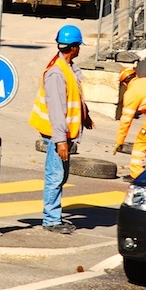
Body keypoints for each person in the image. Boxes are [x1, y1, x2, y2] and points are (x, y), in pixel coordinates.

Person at [29, 24, 94, 234]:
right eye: (79, 46)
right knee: (55, 176)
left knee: (60, 176)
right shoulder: (57, 73)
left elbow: (73, 97)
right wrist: (61, 141)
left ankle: (53, 216)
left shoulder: (67, 68)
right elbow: (57, 109)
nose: (80, 50)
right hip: (56, 135)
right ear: (74, 47)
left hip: (62, 134)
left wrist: (85, 116)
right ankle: (51, 220)